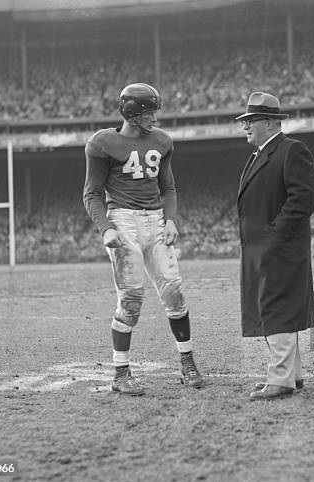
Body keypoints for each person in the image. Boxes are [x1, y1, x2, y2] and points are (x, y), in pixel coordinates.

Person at [83, 83, 203, 395]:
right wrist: (106, 227)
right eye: (149, 112)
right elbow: (92, 194)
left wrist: (171, 219)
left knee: (174, 293)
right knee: (131, 301)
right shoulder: (103, 143)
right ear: (133, 114)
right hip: (123, 222)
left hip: (156, 221)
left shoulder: (162, 141)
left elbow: (169, 189)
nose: (154, 119)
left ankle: (187, 362)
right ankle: (120, 373)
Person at [235, 92, 314, 401]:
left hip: (279, 247)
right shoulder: (261, 153)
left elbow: (305, 196)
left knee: (276, 308)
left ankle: (281, 378)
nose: (245, 127)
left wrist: (276, 234)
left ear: (270, 122)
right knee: (276, 307)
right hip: (264, 247)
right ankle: (291, 375)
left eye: (251, 121)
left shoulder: (291, 150)